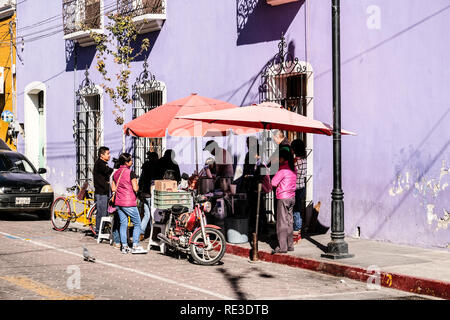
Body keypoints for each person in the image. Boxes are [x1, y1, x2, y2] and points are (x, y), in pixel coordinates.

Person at [111, 153, 147, 254]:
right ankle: (135, 245)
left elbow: (113, 188)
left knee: (123, 223)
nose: (132, 162)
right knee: (137, 223)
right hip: (129, 202)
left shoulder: (116, 173)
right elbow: (135, 188)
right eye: (131, 160)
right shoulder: (130, 173)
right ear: (127, 162)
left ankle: (125, 246)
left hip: (118, 202)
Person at [270, 148, 296, 254]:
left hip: (283, 197)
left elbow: (273, 182)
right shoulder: (293, 169)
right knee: (290, 221)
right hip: (292, 197)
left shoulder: (282, 170)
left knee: (282, 222)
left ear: (282, 158)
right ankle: (290, 245)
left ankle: (282, 247)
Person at [138, 151, 159, 241]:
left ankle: (141, 232)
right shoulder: (156, 167)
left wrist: (139, 190)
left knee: (147, 214)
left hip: (144, 193)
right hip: (151, 193)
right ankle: (153, 234)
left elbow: (141, 179)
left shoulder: (145, 166)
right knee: (153, 215)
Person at [93, 146, 113, 237]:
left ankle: (102, 230)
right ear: (102, 155)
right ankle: (98, 232)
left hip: (105, 192)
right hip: (101, 193)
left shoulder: (104, 163)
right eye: (107, 154)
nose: (109, 156)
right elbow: (108, 171)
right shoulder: (100, 164)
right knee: (101, 213)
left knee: (105, 212)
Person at [291, 138, 307, 244]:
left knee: (295, 211)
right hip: (302, 187)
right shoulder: (305, 160)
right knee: (299, 210)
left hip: (295, 188)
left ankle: (296, 234)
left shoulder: (296, 161)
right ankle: (299, 233)